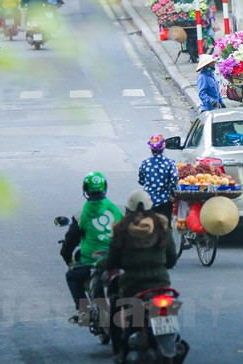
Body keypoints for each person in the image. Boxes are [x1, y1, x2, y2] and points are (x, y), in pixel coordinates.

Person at [96, 190, 177, 361]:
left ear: (129, 208)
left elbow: (112, 261)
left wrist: (101, 264)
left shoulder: (122, 230)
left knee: (126, 321)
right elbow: (171, 259)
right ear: (150, 207)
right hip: (162, 287)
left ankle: (120, 352)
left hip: (133, 287)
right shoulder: (162, 226)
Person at [59, 172, 123, 323]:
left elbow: (69, 244)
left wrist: (68, 259)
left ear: (85, 190)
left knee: (72, 276)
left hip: (91, 262)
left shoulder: (81, 215)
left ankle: (84, 311)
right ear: (105, 188)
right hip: (118, 260)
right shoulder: (119, 210)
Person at [138, 135, 179, 221]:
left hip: (148, 200)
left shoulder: (145, 163)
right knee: (165, 226)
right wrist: (172, 191)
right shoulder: (170, 163)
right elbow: (174, 179)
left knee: (148, 225)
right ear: (164, 147)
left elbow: (141, 181)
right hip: (165, 201)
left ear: (151, 148)